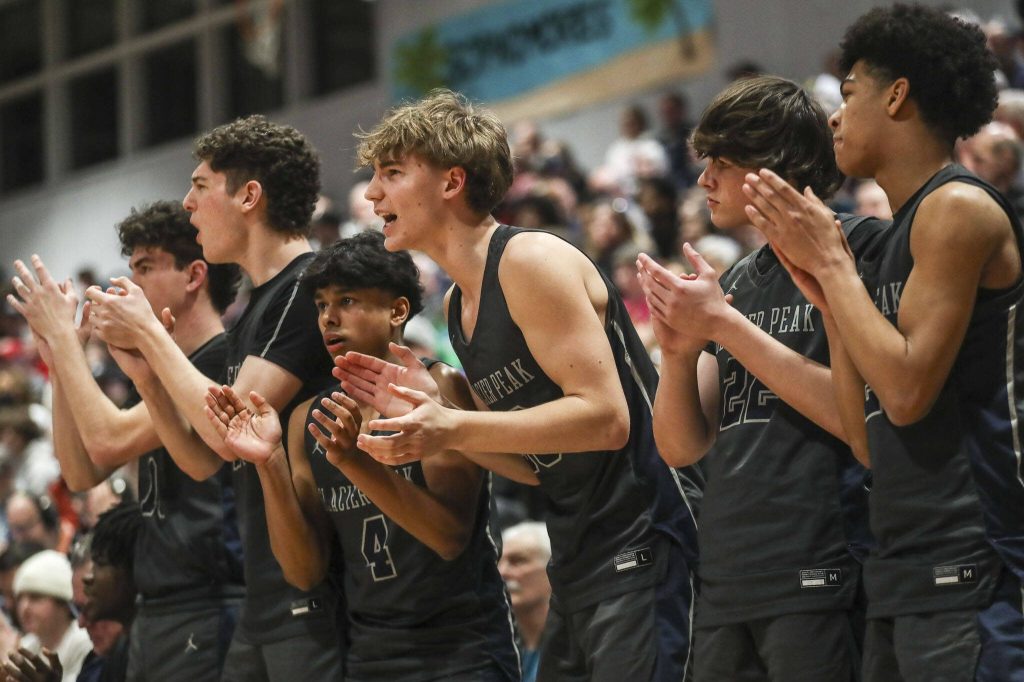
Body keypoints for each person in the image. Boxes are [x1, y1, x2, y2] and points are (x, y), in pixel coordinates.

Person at [335, 89, 702, 681]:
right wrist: (434, 418)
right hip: (581, 555)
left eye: (393, 173)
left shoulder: (529, 261)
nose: (374, 193)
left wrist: (454, 424)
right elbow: (532, 464)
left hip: (649, 538)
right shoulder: (458, 305)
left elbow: (607, 421)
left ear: (452, 182)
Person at [743, 5, 1024, 678]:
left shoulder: (957, 209)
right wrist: (832, 302)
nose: (834, 117)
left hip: (973, 556)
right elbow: (867, 437)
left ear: (897, 95)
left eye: (847, 95)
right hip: (901, 564)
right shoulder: (892, 239)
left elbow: (903, 392)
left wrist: (837, 269)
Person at [636, 75, 885, 681]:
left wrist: (724, 327)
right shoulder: (740, 279)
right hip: (727, 576)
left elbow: (865, 421)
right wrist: (675, 352)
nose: (704, 179)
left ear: (774, 163)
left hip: (824, 563)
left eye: (721, 161)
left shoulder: (866, 251)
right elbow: (679, 445)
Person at [83, 115, 344, 681]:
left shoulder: (308, 286)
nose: (188, 203)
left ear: (249, 195)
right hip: (263, 592)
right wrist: (146, 374)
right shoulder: (255, 306)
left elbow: (236, 430)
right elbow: (203, 459)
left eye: (200, 186)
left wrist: (151, 335)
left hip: (313, 588)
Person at [205, 230, 520, 681]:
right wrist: (267, 462)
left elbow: (449, 537)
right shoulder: (305, 422)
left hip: (461, 644)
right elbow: (304, 571)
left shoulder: (438, 389)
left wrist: (355, 462)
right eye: (321, 306)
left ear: (397, 310)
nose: (329, 318)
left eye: (347, 301)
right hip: (366, 650)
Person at [7, 201, 245, 681]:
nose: (126, 284)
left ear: (194, 276)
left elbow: (105, 441)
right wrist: (59, 354)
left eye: (144, 267)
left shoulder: (221, 365)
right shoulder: (167, 370)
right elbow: (80, 470)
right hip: (159, 603)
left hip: (208, 598)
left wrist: (67, 346)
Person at [12, 550, 92, 681]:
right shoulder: (28, 645)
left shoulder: (85, 643)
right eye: (20, 598)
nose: (24, 608)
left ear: (65, 605)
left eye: (36, 598)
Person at [499, 522, 552, 682]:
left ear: (551, 569)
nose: (502, 572)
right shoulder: (497, 646)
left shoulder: (579, 645)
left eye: (517, 561)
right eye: (498, 561)